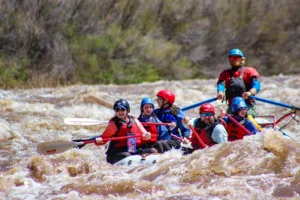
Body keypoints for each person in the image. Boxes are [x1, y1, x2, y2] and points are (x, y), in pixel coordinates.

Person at [95, 99, 154, 164]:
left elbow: (144, 135)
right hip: (117, 153)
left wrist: (147, 135)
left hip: (132, 150)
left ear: (127, 110)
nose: (120, 112)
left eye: (122, 110)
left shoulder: (134, 120)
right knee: (127, 155)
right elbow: (103, 139)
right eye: (118, 110)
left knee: (153, 150)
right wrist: (99, 141)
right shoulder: (114, 124)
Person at [217, 48, 261, 117]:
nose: (234, 59)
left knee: (246, 121)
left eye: (237, 57)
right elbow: (221, 85)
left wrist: (250, 92)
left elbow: (256, 84)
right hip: (233, 106)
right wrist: (220, 92)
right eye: (232, 57)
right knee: (224, 121)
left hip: (247, 105)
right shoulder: (225, 73)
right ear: (229, 59)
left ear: (242, 59)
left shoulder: (249, 71)